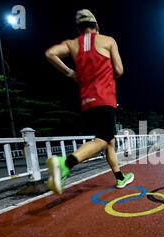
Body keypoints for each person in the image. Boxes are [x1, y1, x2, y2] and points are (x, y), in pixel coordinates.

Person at [44, 9, 134, 194]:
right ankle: (65, 163)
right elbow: (119, 70)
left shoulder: (72, 44)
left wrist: (71, 73)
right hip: (105, 98)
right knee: (103, 138)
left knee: (108, 139)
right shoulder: (107, 40)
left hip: (87, 101)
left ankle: (120, 178)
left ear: (79, 29)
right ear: (97, 26)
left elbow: (50, 53)